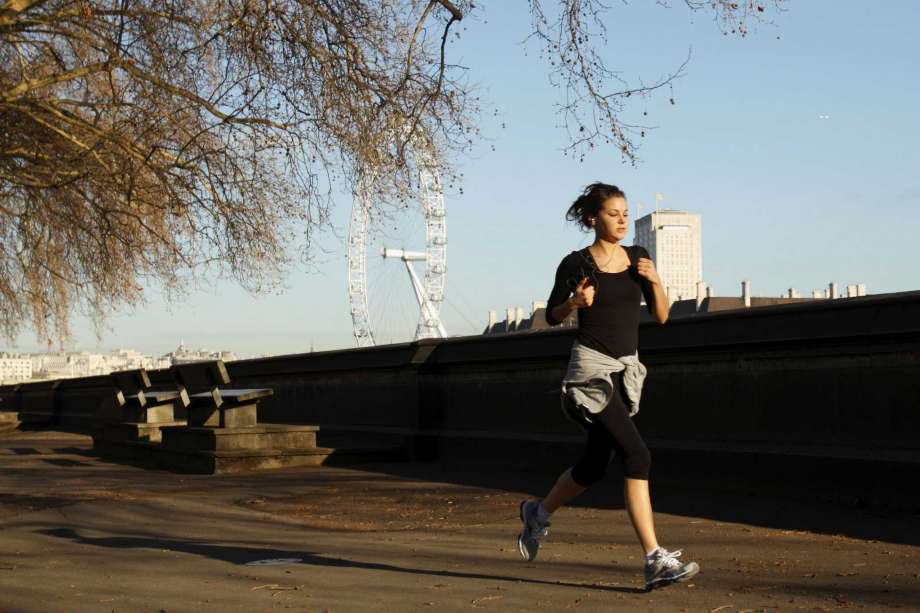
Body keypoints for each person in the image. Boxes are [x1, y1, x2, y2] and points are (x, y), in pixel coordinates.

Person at [516, 182, 699, 590]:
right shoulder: (576, 264)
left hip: (625, 371)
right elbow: (551, 314)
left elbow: (663, 316)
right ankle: (654, 559)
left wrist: (654, 280)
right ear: (591, 219)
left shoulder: (638, 258)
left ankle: (537, 512)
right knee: (638, 455)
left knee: (594, 465)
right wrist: (574, 304)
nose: (621, 219)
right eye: (613, 213)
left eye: (624, 212)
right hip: (590, 376)